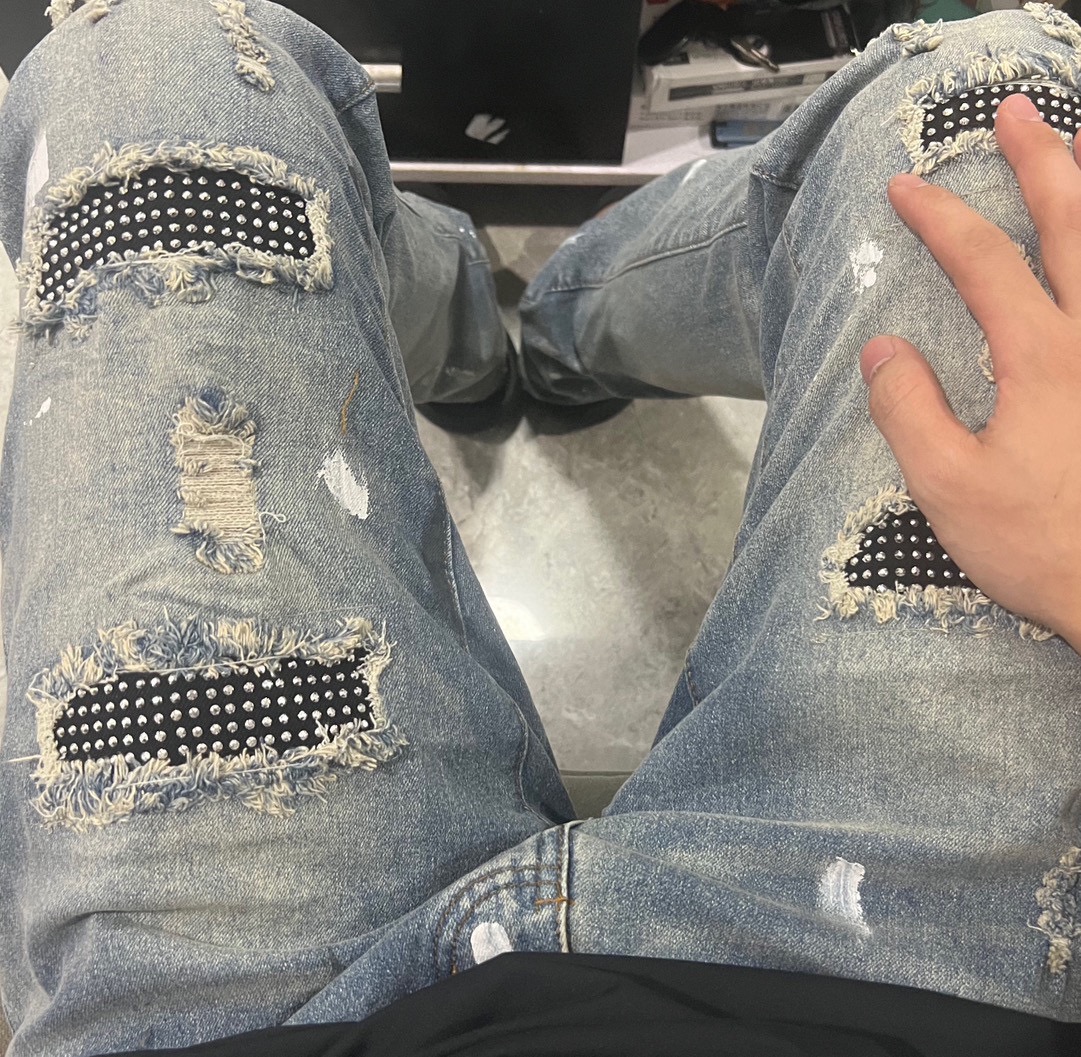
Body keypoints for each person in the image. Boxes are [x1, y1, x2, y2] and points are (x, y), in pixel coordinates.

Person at [1, 1, 1080, 1054]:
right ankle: (548, 345)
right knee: (1002, 99)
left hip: (259, 1017)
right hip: (948, 966)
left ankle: (509, 356)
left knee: (152, 64)